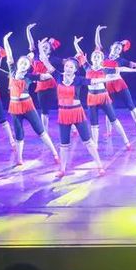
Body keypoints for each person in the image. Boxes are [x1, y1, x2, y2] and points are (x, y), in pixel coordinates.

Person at [37, 42, 105, 179]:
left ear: (75, 69)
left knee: (88, 141)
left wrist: (112, 76)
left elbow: (96, 81)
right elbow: (45, 61)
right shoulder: (58, 76)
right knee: (64, 144)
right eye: (67, 66)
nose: (68, 68)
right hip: (64, 114)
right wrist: (40, 48)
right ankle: (62, 169)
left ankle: (99, 165)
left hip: (77, 113)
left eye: (71, 67)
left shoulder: (79, 79)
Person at [3, 31, 61, 167]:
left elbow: (49, 74)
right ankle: (19, 158)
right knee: (19, 134)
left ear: (29, 66)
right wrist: (5, 40)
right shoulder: (12, 71)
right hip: (14, 107)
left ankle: (55, 153)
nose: (23, 64)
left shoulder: (30, 76)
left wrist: (48, 71)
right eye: (22, 62)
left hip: (28, 106)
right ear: (18, 63)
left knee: (40, 130)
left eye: (26, 64)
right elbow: (9, 55)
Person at [76, 36, 134, 150]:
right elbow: (80, 54)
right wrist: (76, 44)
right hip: (91, 98)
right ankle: (95, 145)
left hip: (103, 97)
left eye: (99, 56)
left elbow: (121, 69)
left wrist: (134, 70)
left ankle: (126, 141)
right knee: (94, 124)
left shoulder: (105, 69)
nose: (96, 57)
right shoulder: (87, 67)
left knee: (113, 120)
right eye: (94, 56)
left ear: (102, 59)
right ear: (91, 58)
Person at [95, 25, 136, 135]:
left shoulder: (121, 60)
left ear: (120, 51)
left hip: (119, 84)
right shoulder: (103, 55)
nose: (117, 49)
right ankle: (108, 131)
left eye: (119, 49)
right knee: (109, 108)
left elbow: (134, 65)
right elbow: (98, 44)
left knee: (130, 105)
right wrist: (97, 31)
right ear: (111, 47)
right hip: (108, 84)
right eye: (116, 47)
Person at [26, 23, 62, 134]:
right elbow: (31, 44)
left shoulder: (53, 59)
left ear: (50, 50)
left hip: (53, 86)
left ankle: (73, 125)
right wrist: (28, 30)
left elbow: (65, 62)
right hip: (40, 87)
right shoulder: (36, 56)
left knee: (62, 105)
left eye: (46, 47)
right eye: (43, 46)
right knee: (44, 110)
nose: (44, 48)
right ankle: (45, 131)